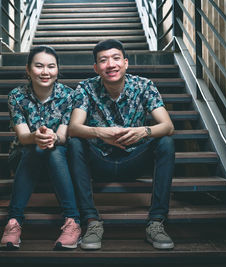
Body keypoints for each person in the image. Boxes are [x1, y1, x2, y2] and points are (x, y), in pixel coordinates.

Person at [68, 39, 175, 250]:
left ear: (125, 63)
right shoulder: (85, 88)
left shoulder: (144, 85)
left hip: (134, 158)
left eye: (116, 58)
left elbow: (168, 125)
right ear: (96, 67)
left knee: (166, 141)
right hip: (99, 161)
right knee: (74, 143)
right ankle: (91, 221)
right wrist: (99, 132)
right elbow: (73, 128)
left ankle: (156, 222)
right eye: (103, 60)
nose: (111, 64)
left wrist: (143, 131)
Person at [0, 45, 81, 250]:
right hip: (24, 157)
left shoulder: (69, 96)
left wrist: (53, 136)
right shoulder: (16, 96)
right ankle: (13, 222)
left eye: (51, 66)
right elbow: (23, 136)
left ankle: (72, 222)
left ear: (57, 70)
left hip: (58, 161)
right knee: (34, 148)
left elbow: (63, 136)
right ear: (28, 70)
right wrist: (36, 137)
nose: (45, 72)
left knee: (53, 150)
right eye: (39, 66)